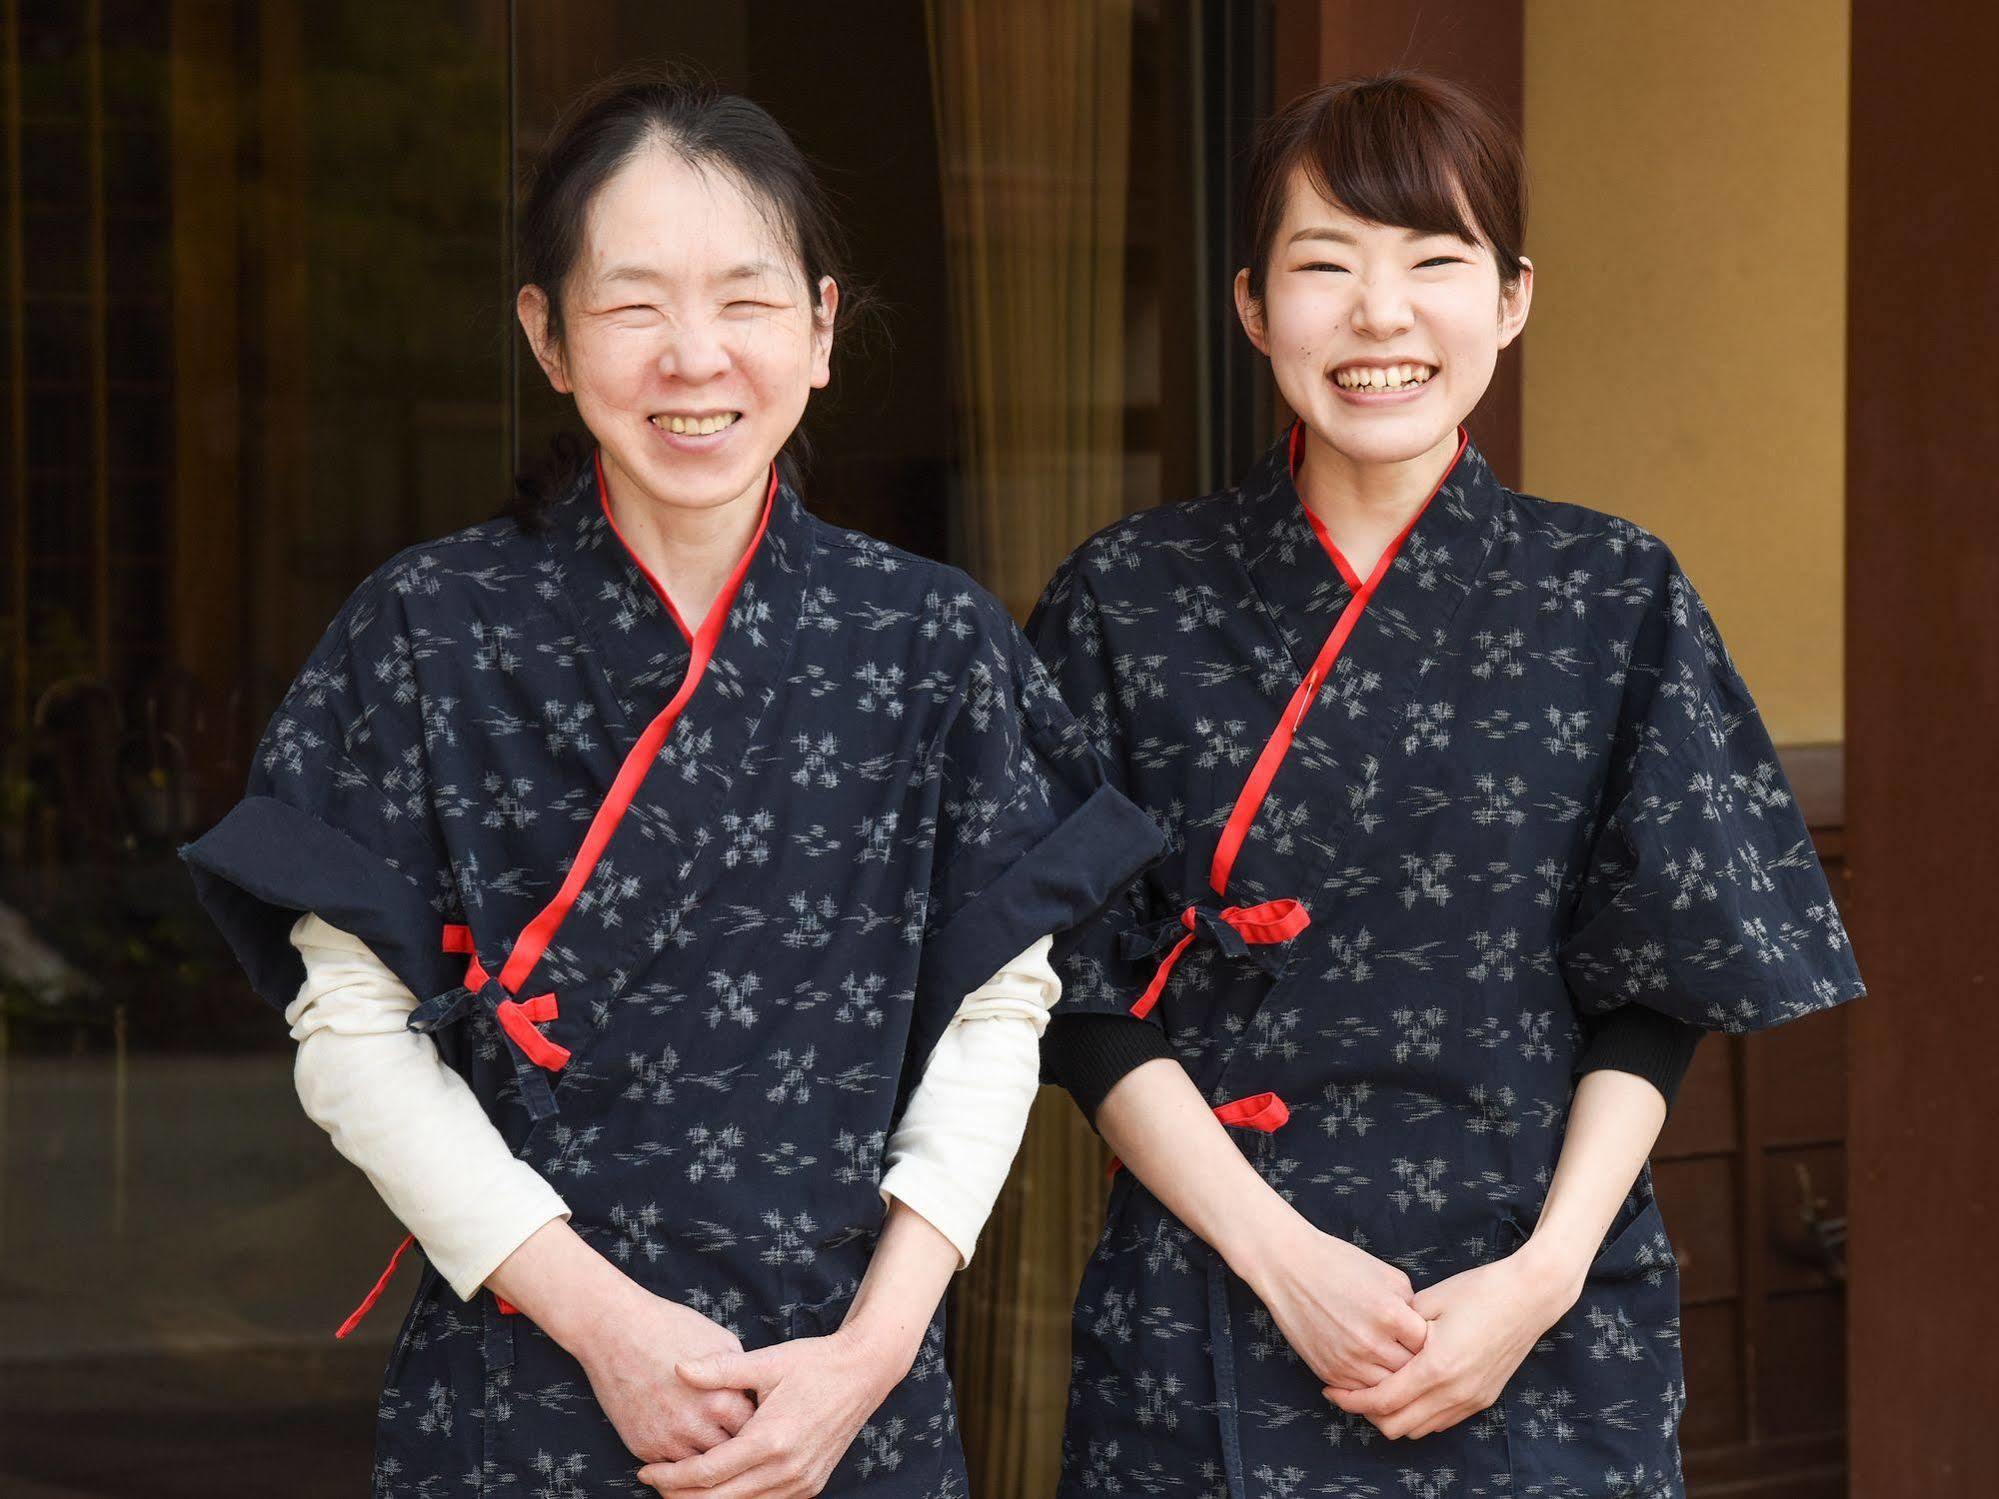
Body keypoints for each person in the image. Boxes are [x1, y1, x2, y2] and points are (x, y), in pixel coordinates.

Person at [183, 67, 1159, 1497]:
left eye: (746, 300)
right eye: (634, 303)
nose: (694, 356)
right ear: (550, 338)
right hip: (520, 1386)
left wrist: (876, 1350)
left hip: (844, 1401)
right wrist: (610, 1328)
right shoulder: (427, 628)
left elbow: (1002, 1009)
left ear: (823, 328)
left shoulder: (933, 641)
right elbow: (350, 1031)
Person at [1029, 71, 1863, 1498]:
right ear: (1250, 305)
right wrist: (1283, 1263)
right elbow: (1067, 983)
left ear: (1512, 298)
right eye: (1325, 266)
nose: (1381, 316)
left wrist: (1539, 1282)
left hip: (1535, 1298)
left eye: (1434, 262)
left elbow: (1660, 983)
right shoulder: (1130, 595)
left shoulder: (1615, 592)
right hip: (1216, 1292)